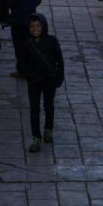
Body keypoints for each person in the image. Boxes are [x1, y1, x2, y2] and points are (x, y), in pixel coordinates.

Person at [19, 14, 63, 152]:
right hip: (34, 81)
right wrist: (32, 74)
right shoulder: (27, 44)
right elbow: (22, 64)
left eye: (38, 26)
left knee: (48, 105)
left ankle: (48, 129)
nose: (35, 29)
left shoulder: (51, 41)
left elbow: (59, 60)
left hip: (49, 80)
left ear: (43, 26)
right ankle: (36, 138)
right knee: (34, 109)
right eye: (32, 26)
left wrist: (59, 78)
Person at [6, 0, 43, 77]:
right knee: (31, 45)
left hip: (17, 18)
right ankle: (31, 68)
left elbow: (9, 0)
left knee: (19, 46)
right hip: (31, 19)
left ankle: (21, 70)